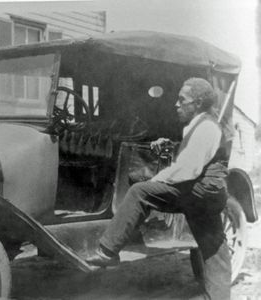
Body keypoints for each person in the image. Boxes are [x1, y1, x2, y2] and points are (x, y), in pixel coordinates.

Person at [86, 77, 231, 300]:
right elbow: (196, 156)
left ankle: (108, 251)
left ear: (198, 103)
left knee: (140, 192)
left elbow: (188, 169)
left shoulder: (207, 128)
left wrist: (157, 180)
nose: (176, 104)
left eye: (183, 100)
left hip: (200, 192)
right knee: (215, 250)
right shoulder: (200, 125)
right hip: (209, 194)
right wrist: (168, 145)